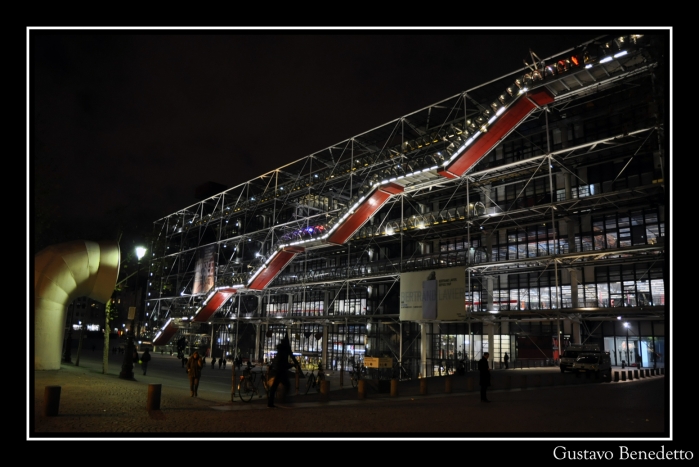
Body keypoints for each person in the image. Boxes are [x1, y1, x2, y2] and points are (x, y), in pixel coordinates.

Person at [267, 335, 300, 408]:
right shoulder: (286, 349)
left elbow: (278, 360)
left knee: (275, 386)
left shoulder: (280, 349)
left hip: (278, 369)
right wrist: (294, 364)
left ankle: (272, 402)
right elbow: (287, 360)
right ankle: (283, 399)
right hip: (281, 370)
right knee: (286, 384)